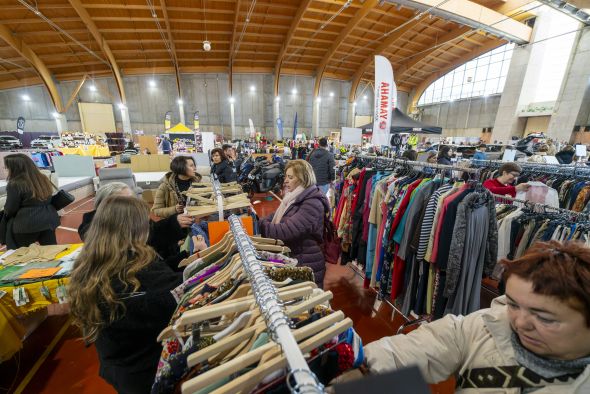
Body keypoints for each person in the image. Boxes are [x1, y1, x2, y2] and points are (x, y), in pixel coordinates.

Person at [364, 240, 590, 392]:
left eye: (545, 318)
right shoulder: (485, 326)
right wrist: (355, 369)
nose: (520, 323)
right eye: (513, 304)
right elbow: (407, 354)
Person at [69, 196, 184, 394]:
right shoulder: (137, 270)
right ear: (136, 230)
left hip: (120, 363)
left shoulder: (92, 263)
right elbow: (171, 300)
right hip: (146, 369)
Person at [79, 182, 193, 265]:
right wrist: (174, 224)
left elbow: (153, 236)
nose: (133, 205)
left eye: (133, 199)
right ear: (107, 207)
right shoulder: (103, 236)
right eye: (126, 202)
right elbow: (150, 237)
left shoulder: (135, 219)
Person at [259, 160, 330, 287]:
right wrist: (265, 221)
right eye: (286, 176)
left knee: (308, 304)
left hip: (306, 262)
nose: (285, 180)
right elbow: (273, 218)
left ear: (303, 178)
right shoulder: (292, 198)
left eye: (290, 177)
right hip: (296, 258)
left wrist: (261, 224)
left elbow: (285, 231)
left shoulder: (312, 202)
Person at [0, 154, 59, 248]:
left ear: (15, 168)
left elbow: (11, 209)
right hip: (49, 219)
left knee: (20, 254)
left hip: (26, 224)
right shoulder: (43, 178)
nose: (5, 170)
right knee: (52, 249)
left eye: (6, 168)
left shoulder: (15, 184)